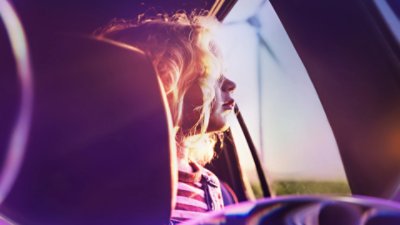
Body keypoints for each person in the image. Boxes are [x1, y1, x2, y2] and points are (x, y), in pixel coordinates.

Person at [96, 12, 237, 223]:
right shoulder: (116, 181)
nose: (231, 84)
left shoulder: (211, 185)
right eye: (213, 74)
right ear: (167, 83)